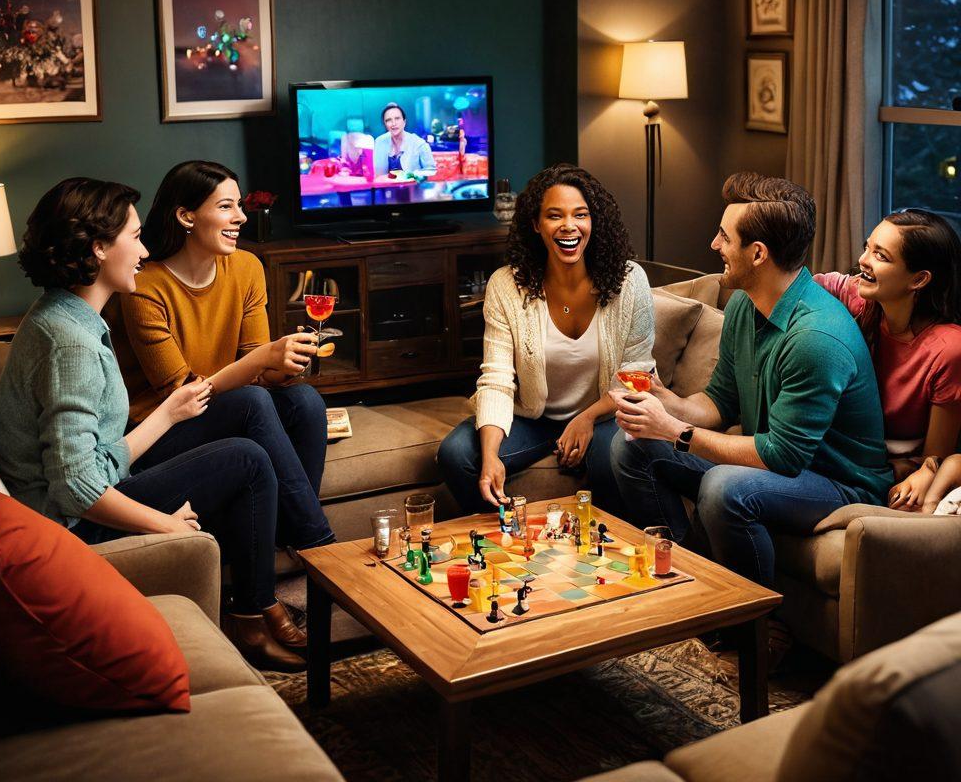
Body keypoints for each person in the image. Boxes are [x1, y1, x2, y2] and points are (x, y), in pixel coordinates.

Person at [0, 178, 309, 671]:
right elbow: (76, 487)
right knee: (246, 460)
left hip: (82, 496)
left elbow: (96, 455)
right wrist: (166, 525)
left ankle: (261, 599)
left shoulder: (66, 316)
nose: (143, 250)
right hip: (69, 527)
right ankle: (256, 610)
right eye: (134, 237)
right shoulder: (70, 342)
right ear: (98, 249)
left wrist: (169, 413)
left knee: (261, 412)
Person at [611, 172, 891, 591]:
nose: (714, 245)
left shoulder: (815, 338)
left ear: (758, 253)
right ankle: (687, 582)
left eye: (724, 237)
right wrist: (664, 399)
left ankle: (757, 629)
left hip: (840, 483)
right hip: (787, 463)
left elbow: (782, 457)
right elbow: (720, 402)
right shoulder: (744, 303)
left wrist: (673, 431)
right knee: (632, 447)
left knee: (726, 487)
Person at [108, 160, 334, 568]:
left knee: (304, 401)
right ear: (186, 216)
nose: (241, 218)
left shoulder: (246, 267)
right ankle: (320, 547)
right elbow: (180, 391)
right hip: (159, 428)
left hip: (223, 406)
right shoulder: (145, 287)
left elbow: (257, 366)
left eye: (239, 206)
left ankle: (291, 534)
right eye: (227, 207)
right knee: (252, 402)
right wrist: (262, 360)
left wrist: (284, 364)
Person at [437, 164, 655, 514]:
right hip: (532, 419)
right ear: (536, 225)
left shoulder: (630, 282)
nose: (569, 226)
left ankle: (601, 550)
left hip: (603, 417)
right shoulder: (506, 286)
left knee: (611, 460)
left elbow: (639, 373)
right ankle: (510, 539)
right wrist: (491, 455)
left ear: (593, 221)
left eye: (580, 215)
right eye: (555, 216)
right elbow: (496, 379)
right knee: (456, 454)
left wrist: (586, 418)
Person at [814, 209, 961, 510]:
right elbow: (796, 285)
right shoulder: (859, 297)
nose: (863, 260)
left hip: (889, 470)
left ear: (919, 279)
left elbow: (935, 456)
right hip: (846, 451)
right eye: (867, 247)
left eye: (881, 256)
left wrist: (923, 471)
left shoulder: (948, 349)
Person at [373, 102, 436, 176]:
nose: (393, 123)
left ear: (404, 122)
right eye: (388, 120)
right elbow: (374, 171)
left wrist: (413, 175)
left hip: (413, 186)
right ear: (385, 124)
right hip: (384, 186)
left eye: (397, 118)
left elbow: (431, 171)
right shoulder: (379, 142)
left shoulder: (419, 143)